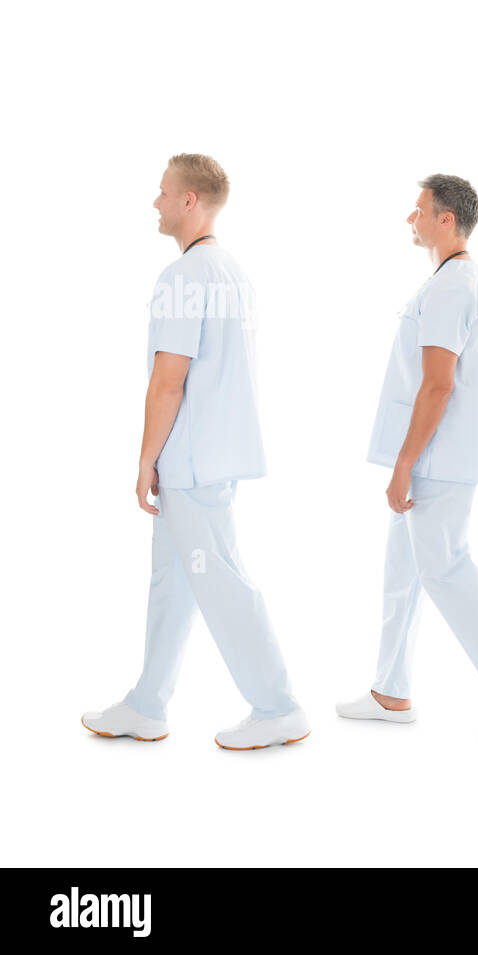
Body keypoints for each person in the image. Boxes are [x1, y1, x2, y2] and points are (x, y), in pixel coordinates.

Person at [81, 154, 310, 750]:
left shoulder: (182, 276)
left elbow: (169, 380)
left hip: (190, 460)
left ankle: (277, 704)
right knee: (173, 580)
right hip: (213, 456)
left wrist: (143, 460)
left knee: (220, 580)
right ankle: (147, 704)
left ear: (190, 200)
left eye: (162, 192)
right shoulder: (232, 271)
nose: (154, 202)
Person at [336, 174, 478, 741]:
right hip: (434, 456)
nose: (410, 220)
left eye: (418, 211)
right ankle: (391, 691)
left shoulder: (453, 287)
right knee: (402, 572)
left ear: (446, 220)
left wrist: (405, 463)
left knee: (445, 569)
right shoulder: (448, 281)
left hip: (436, 460)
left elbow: (439, 386)